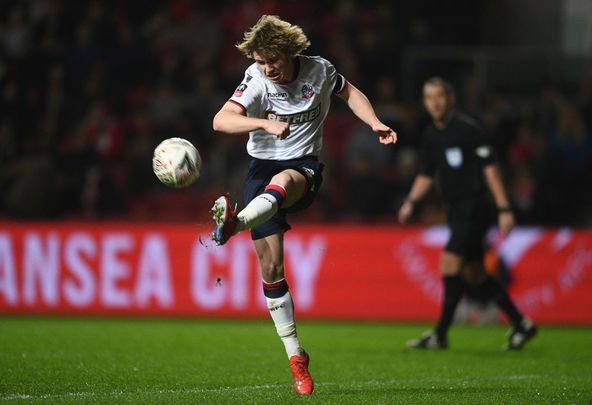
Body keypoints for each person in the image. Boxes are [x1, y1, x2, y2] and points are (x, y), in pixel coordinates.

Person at [209, 15, 397, 395]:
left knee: (285, 182)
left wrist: (374, 122)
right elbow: (220, 120)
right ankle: (296, 357)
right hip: (260, 170)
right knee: (271, 266)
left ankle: (235, 223)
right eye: (261, 61)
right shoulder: (257, 78)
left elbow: (351, 94)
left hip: (302, 167)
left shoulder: (320, 71)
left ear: (290, 52)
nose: (267, 68)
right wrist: (263, 124)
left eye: (273, 60)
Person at [399, 77, 537, 350]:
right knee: (474, 274)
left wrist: (504, 208)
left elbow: (491, 169)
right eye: (429, 98)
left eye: (439, 96)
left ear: (450, 99)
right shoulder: (430, 135)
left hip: (474, 207)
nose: (435, 102)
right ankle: (522, 324)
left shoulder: (469, 131)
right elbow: (427, 173)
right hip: (455, 210)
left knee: (449, 265)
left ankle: (440, 334)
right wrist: (411, 201)